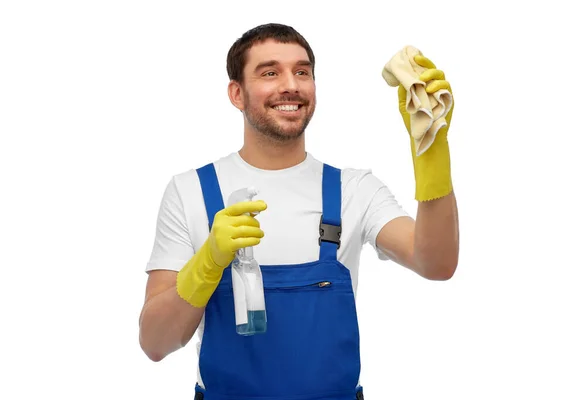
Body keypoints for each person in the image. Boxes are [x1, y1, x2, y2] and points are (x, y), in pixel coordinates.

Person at [138, 23, 459, 400]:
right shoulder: (189, 191)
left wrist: (431, 152)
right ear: (236, 93)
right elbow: (155, 343)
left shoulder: (353, 190)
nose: (290, 84)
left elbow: (436, 263)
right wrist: (206, 264)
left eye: (302, 71)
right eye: (270, 72)